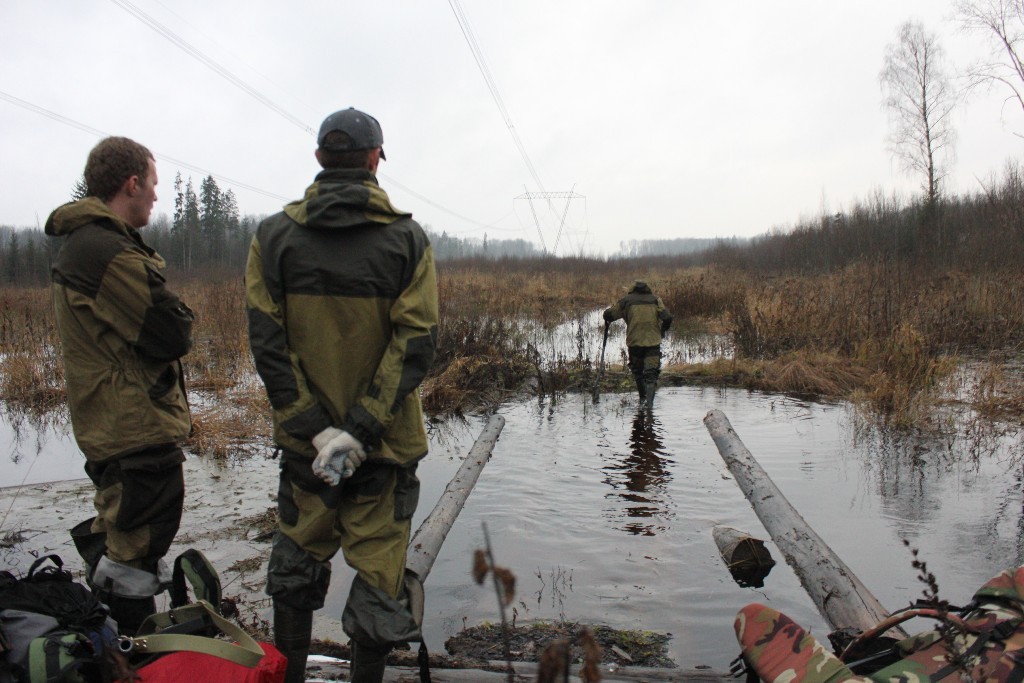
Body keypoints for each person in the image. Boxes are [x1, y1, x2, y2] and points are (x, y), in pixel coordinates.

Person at [245, 107, 439, 683]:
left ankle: (288, 675)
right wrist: (361, 429)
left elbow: (267, 343)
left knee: (297, 561)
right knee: (380, 572)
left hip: (308, 451)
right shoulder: (407, 239)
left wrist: (317, 429)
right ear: (375, 158)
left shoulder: (273, 237)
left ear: (318, 160)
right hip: (384, 451)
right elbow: (415, 343)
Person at [45, 136, 195, 635]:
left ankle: (113, 637)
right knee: (135, 548)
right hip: (132, 428)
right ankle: (127, 650)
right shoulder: (103, 249)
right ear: (131, 183)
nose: (155, 196)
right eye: (152, 184)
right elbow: (172, 330)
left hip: (117, 423)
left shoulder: (96, 244)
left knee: (125, 535)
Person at [603, 280, 673, 409]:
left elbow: (609, 315)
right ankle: (650, 407)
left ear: (632, 289)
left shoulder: (626, 300)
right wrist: (662, 330)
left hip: (634, 343)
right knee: (651, 375)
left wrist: (607, 314)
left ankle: (642, 400)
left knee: (638, 372)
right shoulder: (655, 300)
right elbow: (667, 317)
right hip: (653, 342)